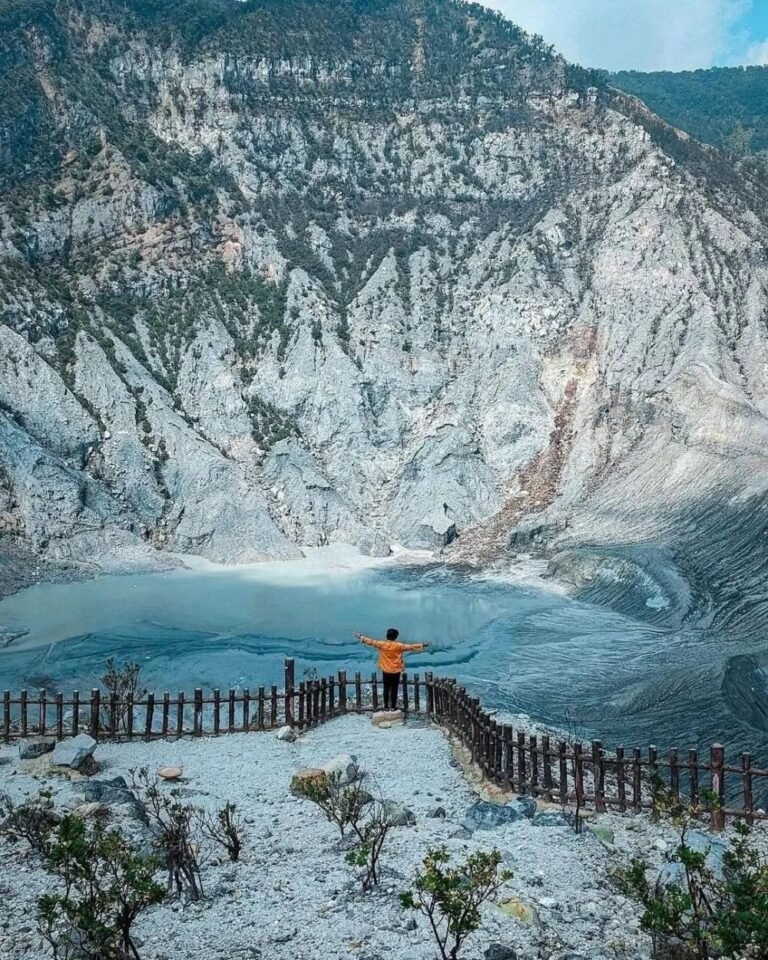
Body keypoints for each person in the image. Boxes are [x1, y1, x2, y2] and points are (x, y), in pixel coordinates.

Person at [354, 628, 429, 710]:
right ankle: (393, 706)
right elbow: (411, 647)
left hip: (386, 670)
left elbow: (371, 642)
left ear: (387, 636)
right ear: (396, 637)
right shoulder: (399, 646)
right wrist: (423, 645)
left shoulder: (382, 644)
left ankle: (386, 706)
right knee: (394, 689)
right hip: (396, 670)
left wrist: (361, 637)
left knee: (386, 688)